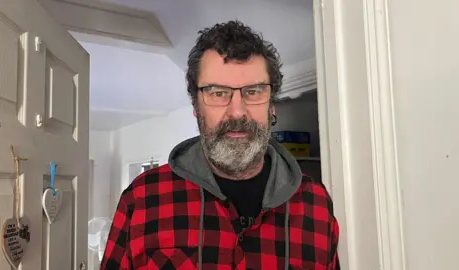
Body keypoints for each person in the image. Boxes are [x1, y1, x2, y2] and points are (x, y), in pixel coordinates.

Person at [100, 20, 340, 270]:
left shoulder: (316, 203)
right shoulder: (142, 198)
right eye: (218, 93)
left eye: (254, 91)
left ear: (271, 106)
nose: (237, 112)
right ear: (196, 107)